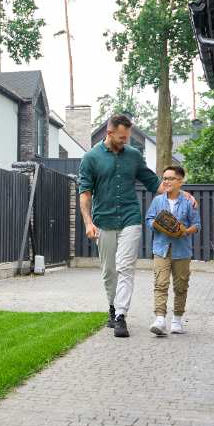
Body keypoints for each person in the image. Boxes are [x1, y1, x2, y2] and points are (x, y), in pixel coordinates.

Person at [78, 114, 191, 338]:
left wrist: (181, 193)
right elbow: (85, 193)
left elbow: (154, 183)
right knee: (109, 271)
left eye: (127, 137)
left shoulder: (133, 156)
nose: (125, 141)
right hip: (104, 220)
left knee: (126, 268)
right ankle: (112, 306)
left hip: (130, 218)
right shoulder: (91, 158)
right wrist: (88, 222)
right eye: (121, 137)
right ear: (109, 133)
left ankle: (121, 315)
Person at [145, 164, 200, 336]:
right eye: (165, 178)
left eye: (171, 178)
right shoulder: (157, 201)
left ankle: (177, 320)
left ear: (180, 181)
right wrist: (157, 225)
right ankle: (160, 319)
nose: (167, 182)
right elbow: (149, 219)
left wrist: (185, 231)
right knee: (160, 284)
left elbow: (196, 225)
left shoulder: (189, 202)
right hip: (161, 249)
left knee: (181, 285)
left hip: (182, 250)